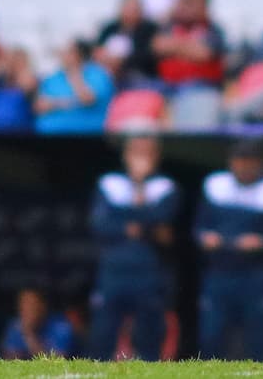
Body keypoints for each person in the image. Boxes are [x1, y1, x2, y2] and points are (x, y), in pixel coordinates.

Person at [195, 140, 263, 361]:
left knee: (257, 337)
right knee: (212, 334)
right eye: (239, 162)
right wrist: (205, 238)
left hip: (256, 274)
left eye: (249, 163)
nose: (243, 168)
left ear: (260, 164)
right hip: (219, 271)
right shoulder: (215, 186)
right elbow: (198, 227)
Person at [89, 135, 179, 361]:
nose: (141, 159)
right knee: (103, 332)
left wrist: (139, 188)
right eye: (136, 153)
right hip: (114, 269)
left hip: (148, 270)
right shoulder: (109, 184)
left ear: (156, 157)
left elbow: (163, 218)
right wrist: (140, 224)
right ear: (125, 156)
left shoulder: (165, 186)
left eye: (146, 153)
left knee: (148, 333)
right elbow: (100, 224)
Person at [152, 0, 226, 95]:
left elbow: (204, 54)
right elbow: (158, 46)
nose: (193, 9)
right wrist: (189, 47)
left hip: (200, 86)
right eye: (190, 3)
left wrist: (175, 47)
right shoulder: (172, 26)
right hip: (167, 84)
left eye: (198, 4)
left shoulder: (213, 29)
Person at [35, 39, 115, 134]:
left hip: (87, 131)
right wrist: (65, 102)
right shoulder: (52, 78)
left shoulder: (98, 74)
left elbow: (87, 99)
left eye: (69, 52)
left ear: (79, 54)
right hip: (52, 131)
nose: (63, 55)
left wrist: (73, 72)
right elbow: (40, 107)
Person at [94, 0, 159, 87]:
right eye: (128, 8)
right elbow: (97, 49)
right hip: (108, 72)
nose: (130, 13)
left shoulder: (150, 29)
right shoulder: (110, 28)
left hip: (138, 75)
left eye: (134, 9)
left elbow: (148, 55)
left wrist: (121, 61)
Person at [0, 287, 76, 359]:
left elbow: (57, 362)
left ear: (43, 306)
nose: (27, 310)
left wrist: (28, 334)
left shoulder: (61, 327)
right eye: (23, 305)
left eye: (31, 305)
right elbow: (9, 360)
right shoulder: (15, 325)